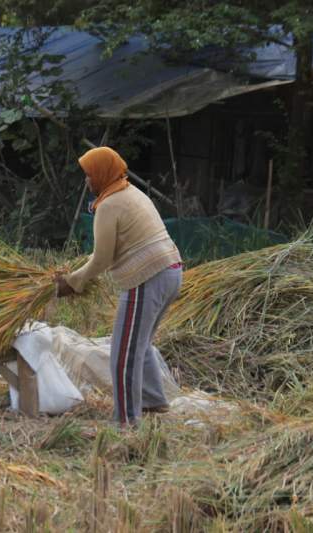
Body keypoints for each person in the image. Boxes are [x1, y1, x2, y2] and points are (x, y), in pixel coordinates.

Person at [55, 146, 182, 427]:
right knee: (141, 343)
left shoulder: (109, 206)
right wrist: (76, 273)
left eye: (89, 174)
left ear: (102, 173)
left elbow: (102, 259)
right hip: (171, 271)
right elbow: (107, 250)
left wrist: (72, 283)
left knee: (124, 353)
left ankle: (126, 421)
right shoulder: (131, 192)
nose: (87, 180)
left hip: (147, 277)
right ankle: (153, 400)